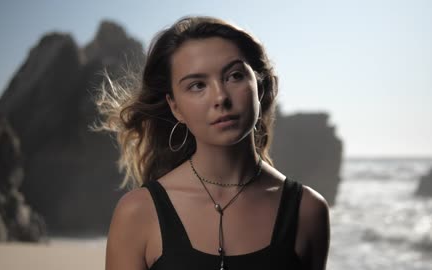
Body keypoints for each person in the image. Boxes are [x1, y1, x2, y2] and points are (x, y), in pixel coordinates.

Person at [99, 16, 330, 270]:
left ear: (259, 85)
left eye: (233, 76)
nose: (220, 97)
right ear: (175, 107)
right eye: (197, 85)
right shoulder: (138, 213)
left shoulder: (307, 212)